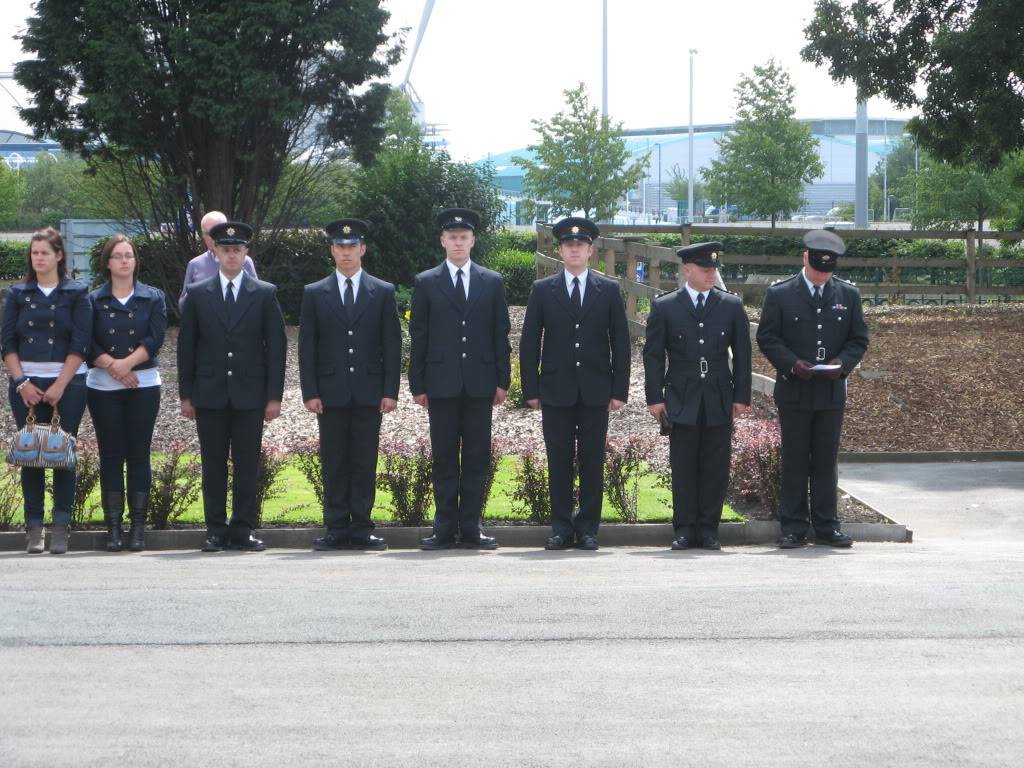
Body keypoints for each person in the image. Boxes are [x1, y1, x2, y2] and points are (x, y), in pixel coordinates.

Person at [519, 217, 630, 550]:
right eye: (569, 245)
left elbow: (620, 342)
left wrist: (619, 390)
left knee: (593, 460)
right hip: (556, 390)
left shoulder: (608, 290)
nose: (574, 250)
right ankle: (561, 528)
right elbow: (529, 342)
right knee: (559, 460)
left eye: (580, 245)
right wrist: (531, 389)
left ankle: (588, 530)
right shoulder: (543, 290)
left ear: (590, 251)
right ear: (561, 251)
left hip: (596, 389)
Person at [177, 221, 286, 552]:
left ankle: (243, 528)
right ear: (215, 251)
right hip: (209, 394)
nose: (232, 255)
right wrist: (186, 395)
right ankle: (215, 529)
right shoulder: (198, 294)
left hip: (250, 394)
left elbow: (277, 347)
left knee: (247, 464)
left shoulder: (264, 293)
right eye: (226, 249)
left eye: (237, 249)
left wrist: (274, 397)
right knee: (212, 465)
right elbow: (187, 348)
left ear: (246, 252)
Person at [756, 229, 869, 548]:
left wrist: (842, 363)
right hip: (794, 389)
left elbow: (858, 338)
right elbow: (767, 337)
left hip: (830, 392)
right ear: (805, 258)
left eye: (827, 272)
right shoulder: (780, 294)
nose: (821, 278)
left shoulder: (848, 295)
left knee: (825, 460)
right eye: (817, 270)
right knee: (794, 459)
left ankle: (826, 524)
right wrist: (792, 363)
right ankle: (792, 526)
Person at [409, 208, 511, 550]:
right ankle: (443, 527)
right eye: (452, 237)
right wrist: (418, 384)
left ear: (472, 241)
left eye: (463, 237)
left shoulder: (492, 281)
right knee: (444, 458)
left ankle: (471, 526)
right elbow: (419, 335)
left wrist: (503, 380)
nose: (458, 242)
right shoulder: (426, 282)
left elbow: (501, 334)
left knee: (477, 457)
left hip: (480, 383)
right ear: (442, 241)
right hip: (441, 382)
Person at [299, 218, 402, 551]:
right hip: (330, 393)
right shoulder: (315, 293)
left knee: (363, 460)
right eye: (340, 247)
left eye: (351, 247)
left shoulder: (382, 291)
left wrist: (390, 391)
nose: (346, 253)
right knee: (334, 461)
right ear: (332, 250)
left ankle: (361, 528)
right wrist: (310, 391)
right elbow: (307, 347)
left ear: (363, 249)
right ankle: (335, 528)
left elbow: (392, 344)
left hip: (369, 391)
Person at [643, 242, 752, 550]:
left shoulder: (730, 305)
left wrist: (741, 396)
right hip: (682, 394)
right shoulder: (666, 306)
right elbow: (653, 355)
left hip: (718, 394)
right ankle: (684, 528)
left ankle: (708, 529)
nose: (711, 274)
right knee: (684, 465)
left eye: (714, 269)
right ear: (686, 269)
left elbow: (743, 355)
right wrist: (655, 397)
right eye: (705, 269)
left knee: (715, 466)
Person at [1, 228, 92, 554]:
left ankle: (60, 527)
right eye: (34, 252)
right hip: (25, 384)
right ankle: (35, 527)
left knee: (62, 454)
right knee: (31, 455)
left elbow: (80, 343)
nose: (38, 258)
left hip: (67, 384)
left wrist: (59, 385)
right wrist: (21, 382)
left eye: (44, 252)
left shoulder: (77, 293)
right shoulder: (18, 293)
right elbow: (7, 342)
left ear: (58, 255)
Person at [86, 235, 167, 552]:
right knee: (110, 455)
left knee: (138, 454)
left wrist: (128, 364)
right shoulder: (92, 300)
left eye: (129, 256)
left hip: (143, 384)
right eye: (117, 256)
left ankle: (137, 529)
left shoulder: (153, 297)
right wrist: (113, 367)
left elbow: (155, 337)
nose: (124, 261)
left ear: (135, 261)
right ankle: (114, 529)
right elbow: (86, 341)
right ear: (107, 262)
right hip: (103, 386)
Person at [178, 210, 258, 312]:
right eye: (208, 233)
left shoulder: (244, 262)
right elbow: (183, 305)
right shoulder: (195, 264)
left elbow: (257, 299)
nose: (212, 237)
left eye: (216, 232)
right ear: (202, 235)